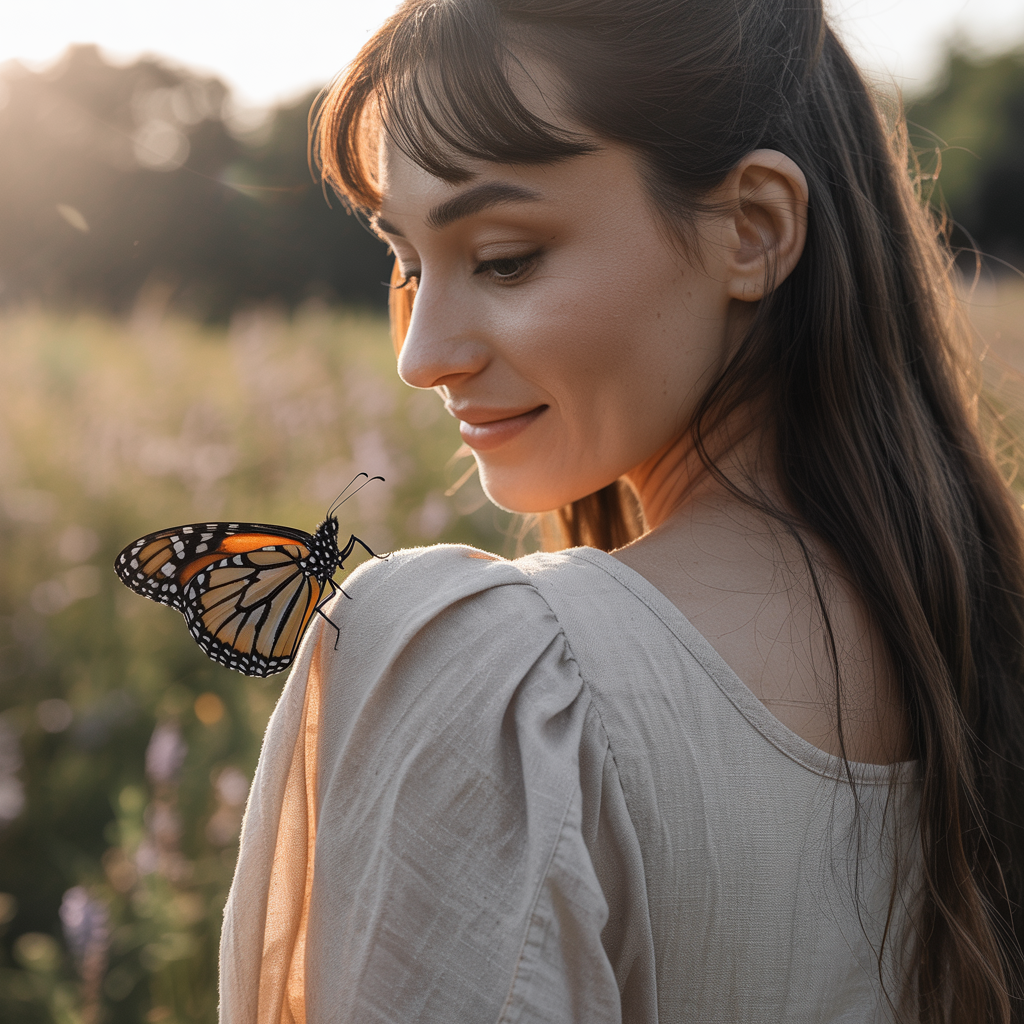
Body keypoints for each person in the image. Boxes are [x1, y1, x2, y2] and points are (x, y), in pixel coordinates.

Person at [219, 1, 1024, 1021]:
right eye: (409, 263)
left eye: (504, 256)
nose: (420, 357)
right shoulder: (975, 654)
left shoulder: (497, 678)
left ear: (754, 229)